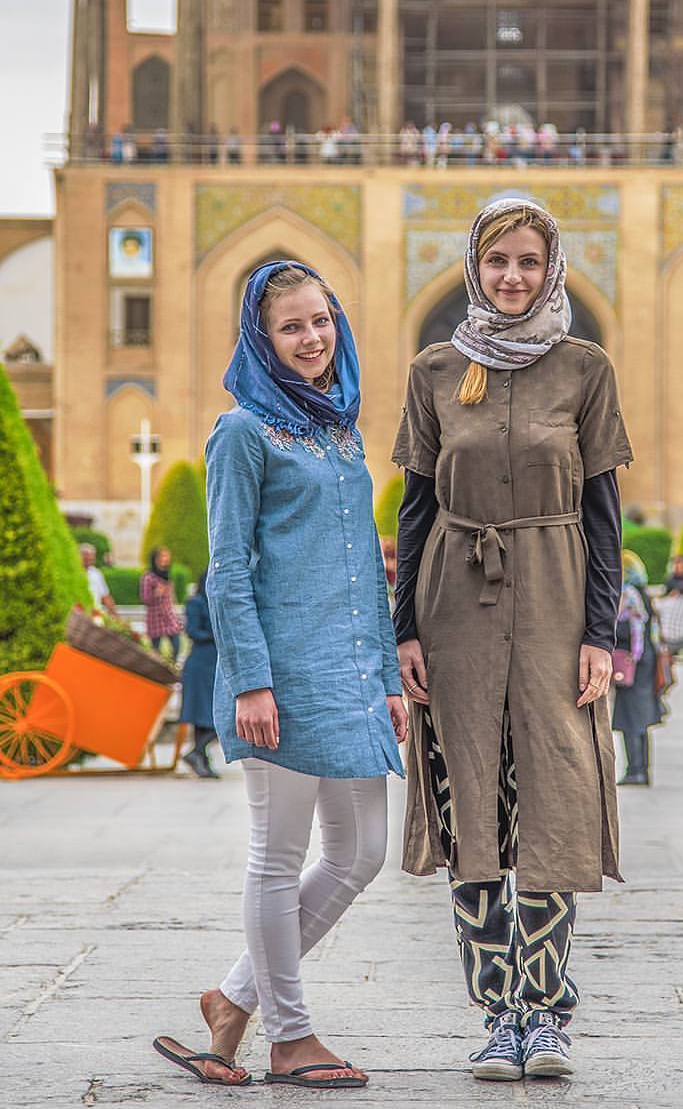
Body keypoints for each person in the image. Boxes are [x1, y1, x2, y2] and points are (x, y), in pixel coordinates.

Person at [391, 197, 632, 1082]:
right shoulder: (434, 370)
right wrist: (404, 631)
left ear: (551, 266)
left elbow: (605, 514)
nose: (513, 277)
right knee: (474, 806)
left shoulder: (585, 369)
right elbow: (416, 507)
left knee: (551, 801)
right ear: (474, 268)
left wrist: (598, 634)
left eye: (529, 261)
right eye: (498, 262)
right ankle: (498, 1013)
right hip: (454, 600)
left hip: (558, 599)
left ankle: (550, 1011)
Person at [153, 260, 407, 1091]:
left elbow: (365, 564)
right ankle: (289, 1034)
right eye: (291, 327)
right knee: (278, 854)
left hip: (350, 677)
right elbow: (229, 567)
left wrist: (391, 675)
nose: (311, 339)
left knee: (362, 852)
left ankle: (230, 1000)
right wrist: (252, 680)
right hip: (282, 678)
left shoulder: (339, 431)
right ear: (262, 340)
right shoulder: (242, 432)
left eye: (321, 321)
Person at [613, 554, 664, 785]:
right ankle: (641, 768)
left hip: (631, 664)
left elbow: (624, 632)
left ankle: (635, 769)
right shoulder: (643, 595)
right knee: (640, 720)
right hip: (645, 662)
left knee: (630, 719)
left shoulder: (629, 596)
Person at [179, 569, 220, 779]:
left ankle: (199, 755)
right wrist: (218, 634)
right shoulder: (195, 602)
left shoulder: (216, 601)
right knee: (202, 715)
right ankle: (198, 754)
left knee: (210, 714)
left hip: (212, 663)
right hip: (200, 664)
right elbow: (193, 631)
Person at [141, 548, 182, 663]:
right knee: (155, 648)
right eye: (162, 557)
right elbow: (145, 599)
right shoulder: (148, 577)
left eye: (167, 556)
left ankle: (172, 664)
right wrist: (156, 593)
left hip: (168, 614)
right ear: (155, 559)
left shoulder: (168, 574)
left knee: (176, 640)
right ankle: (157, 669)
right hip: (155, 616)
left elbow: (170, 596)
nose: (165, 559)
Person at [655, 583, 683, 663]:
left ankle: (669, 657)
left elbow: (655, 605)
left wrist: (660, 628)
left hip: (667, 640)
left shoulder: (666, 602)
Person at [80, 543, 117, 616]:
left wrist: (115, 615)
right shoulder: (74, 573)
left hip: (95, 614)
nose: (90, 557)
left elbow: (105, 596)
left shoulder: (96, 573)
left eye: (92, 555)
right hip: (79, 614)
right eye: (86, 554)